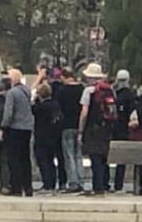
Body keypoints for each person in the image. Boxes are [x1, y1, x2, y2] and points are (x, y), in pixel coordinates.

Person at [78, 62, 114, 195]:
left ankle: (97, 186)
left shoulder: (89, 91)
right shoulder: (109, 90)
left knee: (95, 158)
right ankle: (105, 184)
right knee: (104, 157)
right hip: (106, 129)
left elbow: (84, 112)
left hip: (93, 129)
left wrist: (81, 130)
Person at [0, 68, 33, 197]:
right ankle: (28, 187)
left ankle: (16, 187)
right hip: (27, 127)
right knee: (25, 159)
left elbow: (8, 113)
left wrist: (3, 127)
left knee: (14, 159)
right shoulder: (27, 91)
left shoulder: (12, 93)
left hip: (15, 127)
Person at [55, 66, 85, 193]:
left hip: (66, 125)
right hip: (79, 125)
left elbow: (58, 108)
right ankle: (81, 180)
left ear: (64, 77)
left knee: (69, 155)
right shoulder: (82, 89)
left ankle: (73, 182)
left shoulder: (62, 90)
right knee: (78, 155)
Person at [32, 82, 63, 193]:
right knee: (50, 161)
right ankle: (52, 183)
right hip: (54, 136)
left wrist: (35, 99)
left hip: (41, 136)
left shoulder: (40, 107)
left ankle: (47, 184)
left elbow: (33, 110)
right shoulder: (55, 104)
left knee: (42, 160)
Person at [113, 69, 135, 191]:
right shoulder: (131, 95)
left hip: (114, 128)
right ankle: (118, 184)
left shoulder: (114, 94)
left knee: (108, 157)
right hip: (126, 129)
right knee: (121, 160)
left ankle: (107, 182)